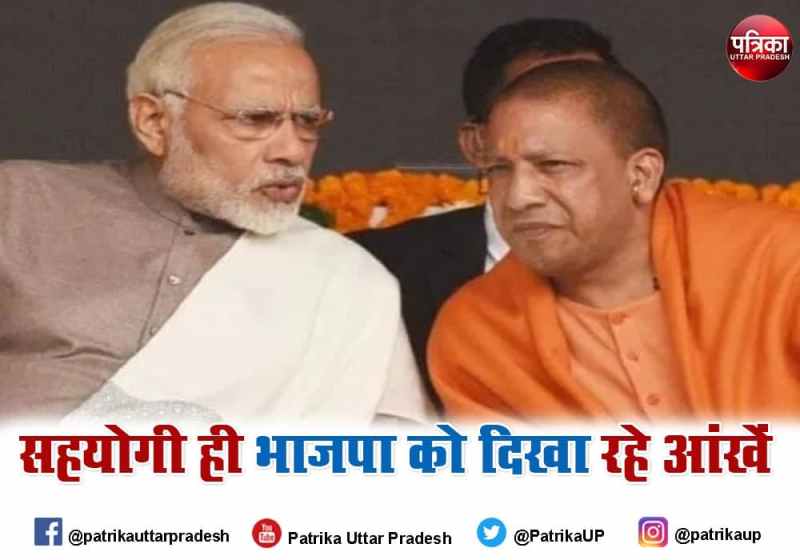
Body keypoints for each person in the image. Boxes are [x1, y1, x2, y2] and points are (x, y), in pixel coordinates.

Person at [0, 2, 430, 423]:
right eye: (254, 119)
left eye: (307, 122)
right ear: (153, 122)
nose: (292, 150)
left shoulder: (347, 279)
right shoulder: (19, 203)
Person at [428, 60, 800, 420]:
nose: (517, 197)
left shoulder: (780, 260)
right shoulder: (478, 331)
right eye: (499, 170)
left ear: (642, 175)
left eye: (553, 166)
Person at [351, 19, 618, 407]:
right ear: (477, 144)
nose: (567, 137)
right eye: (538, 110)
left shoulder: (689, 264)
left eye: (593, 112)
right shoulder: (368, 270)